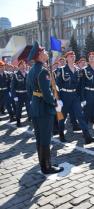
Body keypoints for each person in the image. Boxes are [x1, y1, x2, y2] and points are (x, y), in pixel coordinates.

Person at [26, 41, 64, 174]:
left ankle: (43, 164)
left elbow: (29, 90)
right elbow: (47, 95)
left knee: (39, 137)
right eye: (44, 51)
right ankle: (47, 166)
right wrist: (55, 102)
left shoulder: (32, 71)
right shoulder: (43, 71)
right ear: (40, 55)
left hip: (36, 107)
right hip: (44, 108)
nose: (47, 52)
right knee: (46, 138)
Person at [56, 51, 94, 144]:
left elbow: (81, 87)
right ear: (66, 58)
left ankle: (87, 136)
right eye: (70, 56)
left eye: (74, 56)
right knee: (62, 117)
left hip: (75, 96)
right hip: (64, 96)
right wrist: (58, 100)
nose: (73, 57)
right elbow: (57, 86)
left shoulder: (78, 70)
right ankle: (61, 134)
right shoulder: (62, 70)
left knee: (80, 116)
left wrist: (82, 99)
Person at [11, 60, 30, 127]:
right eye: (21, 66)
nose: (23, 67)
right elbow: (12, 87)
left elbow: (30, 85)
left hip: (27, 94)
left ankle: (30, 118)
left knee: (29, 107)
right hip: (19, 95)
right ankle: (18, 121)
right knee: (19, 109)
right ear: (18, 67)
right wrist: (14, 96)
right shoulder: (15, 75)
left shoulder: (28, 74)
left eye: (24, 66)